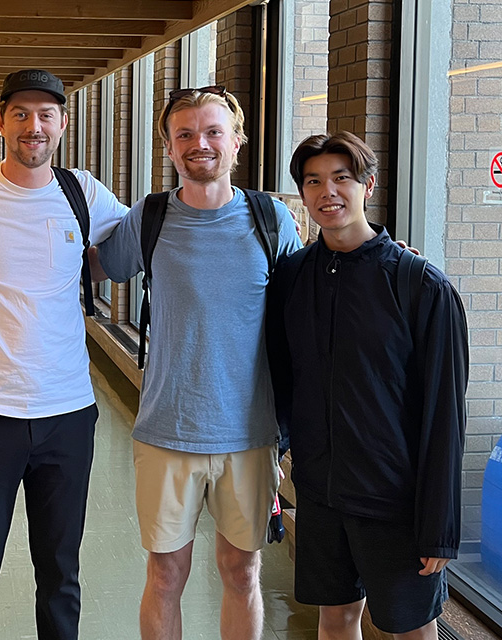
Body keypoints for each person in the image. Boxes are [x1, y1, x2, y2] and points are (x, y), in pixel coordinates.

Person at [0, 69, 127, 640]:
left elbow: (153, 235)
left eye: (45, 115)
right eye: (20, 113)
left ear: (62, 123)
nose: (33, 126)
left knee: (61, 574)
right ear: (0, 121)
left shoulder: (83, 191)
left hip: (66, 412)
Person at [94, 86, 302, 640]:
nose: (199, 144)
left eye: (213, 132)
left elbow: (311, 305)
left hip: (251, 434)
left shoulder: (272, 219)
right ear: (167, 147)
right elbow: (97, 265)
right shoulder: (151, 217)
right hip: (167, 429)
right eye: (184, 134)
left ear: (238, 141)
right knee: (165, 574)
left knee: (243, 570)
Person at [266, 132, 468, 639]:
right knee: (334, 616)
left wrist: (439, 528)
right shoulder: (292, 275)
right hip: (320, 491)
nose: (327, 192)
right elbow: (282, 374)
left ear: (368, 185)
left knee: (412, 626)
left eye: (341, 178)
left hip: (395, 500)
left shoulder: (419, 284)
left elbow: (445, 412)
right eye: (313, 181)